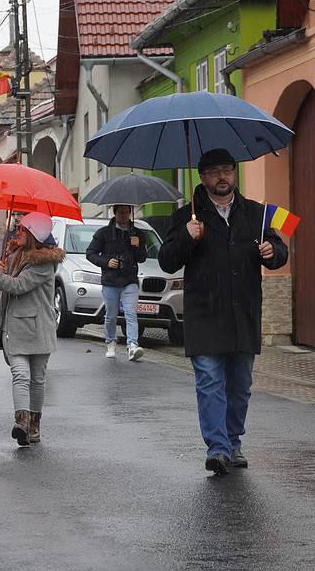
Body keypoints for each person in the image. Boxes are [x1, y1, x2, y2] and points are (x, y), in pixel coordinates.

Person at [158, 148, 288, 476]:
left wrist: (273, 252)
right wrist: (187, 239)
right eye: (214, 171)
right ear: (202, 177)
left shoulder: (256, 214)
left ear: (235, 173)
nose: (222, 177)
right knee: (209, 381)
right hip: (205, 313)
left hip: (243, 312)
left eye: (228, 170)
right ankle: (217, 447)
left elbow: (281, 250)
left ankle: (233, 439)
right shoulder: (186, 217)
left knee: (240, 384)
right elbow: (166, 260)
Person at [0, 212, 64, 447]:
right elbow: (8, 281)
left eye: (23, 230)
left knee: (37, 379)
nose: (18, 233)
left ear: (33, 235)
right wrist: (2, 270)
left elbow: (17, 286)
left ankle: (34, 426)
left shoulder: (44, 263)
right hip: (16, 326)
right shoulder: (17, 255)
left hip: (39, 328)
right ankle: (22, 423)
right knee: (20, 374)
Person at [85, 204, 147, 361]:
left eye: (127, 212)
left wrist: (138, 246)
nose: (124, 215)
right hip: (110, 281)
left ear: (130, 213)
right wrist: (106, 262)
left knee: (131, 313)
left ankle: (132, 346)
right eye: (121, 212)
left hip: (130, 280)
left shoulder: (137, 233)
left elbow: (142, 257)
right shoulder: (104, 233)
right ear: (115, 213)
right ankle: (111, 341)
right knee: (111, 315)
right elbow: (90, 253)